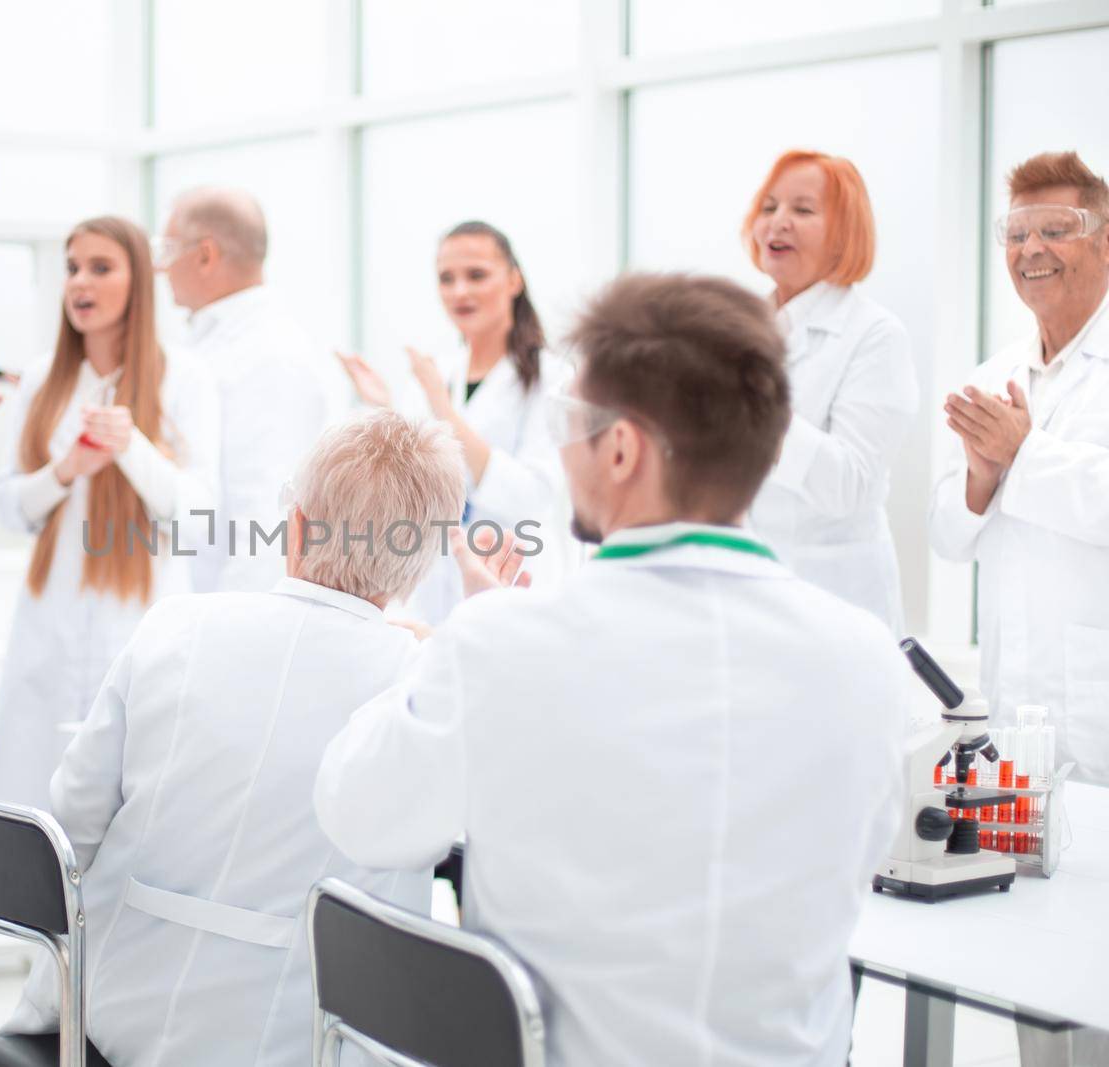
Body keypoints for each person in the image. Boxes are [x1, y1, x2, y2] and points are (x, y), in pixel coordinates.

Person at [315, 273, 908, 1066]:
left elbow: (361, 815)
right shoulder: (864, 656)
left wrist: (452, 647)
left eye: (570, 420)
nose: (562, 447)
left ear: (622, 448)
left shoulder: (502, 642)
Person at [1, 410, 463, 1066]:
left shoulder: (176, 627)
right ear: (418, 567)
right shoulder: (420, 686)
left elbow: (70, 825)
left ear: (295, 527)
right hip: (296, 1041)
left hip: (102, 1026)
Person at [930, 152, 1109, 1065]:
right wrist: (979, 473)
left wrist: (1023, 457)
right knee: (1027, 955)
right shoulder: (992, 374)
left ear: (1105, 238)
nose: (1031, 248)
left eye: (1056, 229)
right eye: (1016, 233)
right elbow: (947, 535)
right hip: (1017, 711)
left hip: (1102, 708)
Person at [0, 216, 218, 811]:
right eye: (72, 268)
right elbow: (9, 508)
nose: (80, 283)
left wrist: (130, 448)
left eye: (101, 267)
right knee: (34, 808)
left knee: (128, 809)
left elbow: (197, 515)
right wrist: (65, 471)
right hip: (49, 622)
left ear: (138, 282)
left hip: (142, 619)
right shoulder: (43, 380)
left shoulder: (185, 379)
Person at [336, 220, 563, 622]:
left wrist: (443, 410)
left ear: (514, 280)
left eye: (477, 275)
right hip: (431, 585)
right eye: (447, 278)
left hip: (515, 578)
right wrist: (385, 409)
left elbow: (530, 496)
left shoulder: (552, 376)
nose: (460, 291)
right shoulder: (437, 372)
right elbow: (413, 483)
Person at [741, 149, 917, 631]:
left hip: (837, 603)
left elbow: (851, 485)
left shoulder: (875, 334)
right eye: (769, 207)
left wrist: (754, 411)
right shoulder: (739, 327)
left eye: (802, 210)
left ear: (844, 234)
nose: (778, 222)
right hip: (751, 597)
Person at [156, 186, 330, 592]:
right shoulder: (211, 344)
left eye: (166, 250)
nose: (160, 268)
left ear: (204, 255)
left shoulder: (268, 355)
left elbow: (266, 524)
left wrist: (223, 637)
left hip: (229, 613)